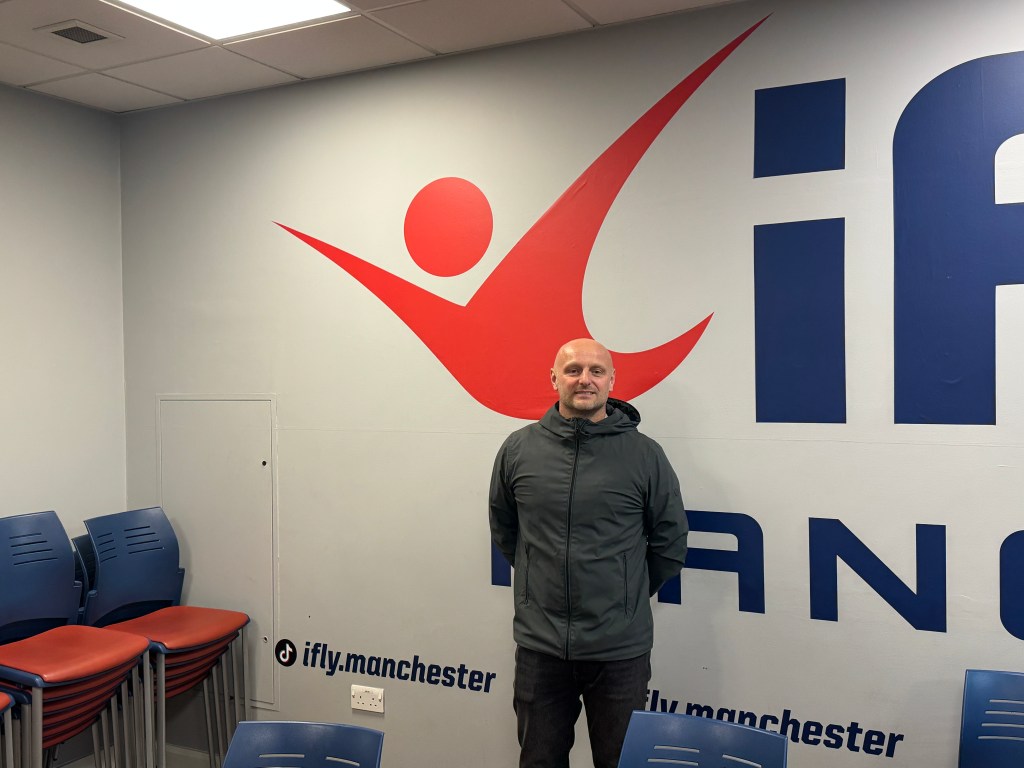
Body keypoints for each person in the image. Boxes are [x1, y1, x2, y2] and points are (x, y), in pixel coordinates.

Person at [489, 338, 689, 768]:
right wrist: (536, 583)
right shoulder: (518, 449)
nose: (585, 379)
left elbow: (669, 544)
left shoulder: (645, 455)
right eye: (574, 369)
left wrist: (624, 593)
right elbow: (506, 529)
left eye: (596, 371)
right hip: (541, 649)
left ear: (612, 381)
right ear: (554, 378)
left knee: (621, 762)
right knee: (539, 761)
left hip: (619, 653)